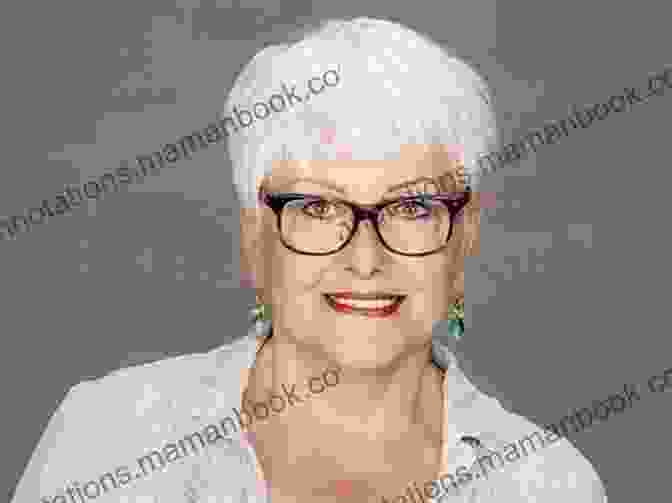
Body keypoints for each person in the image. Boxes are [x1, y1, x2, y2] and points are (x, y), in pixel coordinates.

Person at [12, 17, 607, 503]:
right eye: (318, 209)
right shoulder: (106, 441)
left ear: (465, 233)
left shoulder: (545, 486)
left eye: (412, 208)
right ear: (254, 236)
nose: (366, 259)